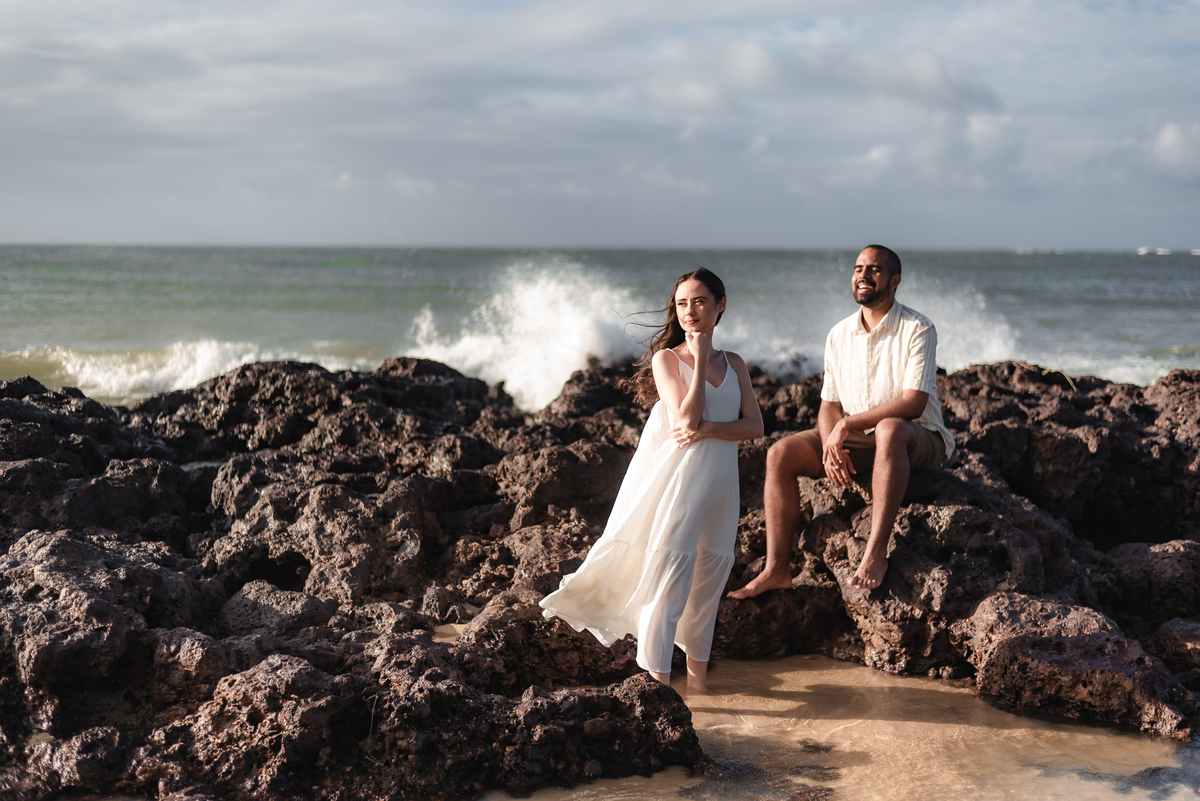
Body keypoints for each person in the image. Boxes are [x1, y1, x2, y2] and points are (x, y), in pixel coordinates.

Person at [540, 268, 764, 691]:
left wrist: (712, 429)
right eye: (682, 303)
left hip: (722, 485)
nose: (690, 311)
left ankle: (698, 687)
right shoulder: (668, 360)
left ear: (721, 304)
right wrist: (697, 361)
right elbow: (685, 417)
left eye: (699, 301)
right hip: (682, 482)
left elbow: (754, 426)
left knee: (709, 580)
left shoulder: (734, 363)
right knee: (669, 577)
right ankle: (659, 689)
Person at [730, 245, 954, 597]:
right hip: (865, 437)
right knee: (780, 453)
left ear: (894, 280)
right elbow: (829, 405)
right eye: (858, 268)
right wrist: (831, 443)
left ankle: (876, 552)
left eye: (875, 269)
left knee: (889, 428)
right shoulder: (839, 334)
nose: (863, 275)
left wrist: (845, 427)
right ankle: (777, 569)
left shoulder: (918, 328)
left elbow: (913, 403)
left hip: (920, 436)